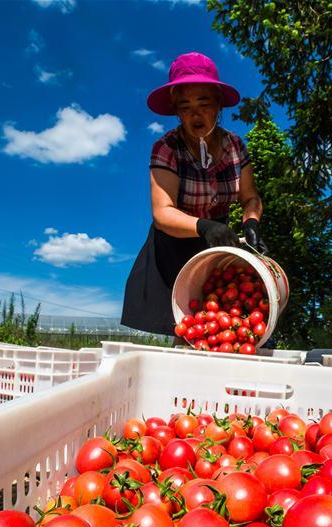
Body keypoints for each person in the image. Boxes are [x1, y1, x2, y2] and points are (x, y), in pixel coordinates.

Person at [121, 52, 267, 336]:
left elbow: (250, 196)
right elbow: (163, 212)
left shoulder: (235, 147)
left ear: (218, 105)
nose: (195, 113)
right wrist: (203, 226)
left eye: (204, 103)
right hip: (174, 244)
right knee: (182, 329)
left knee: (219, 329)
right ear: (177, 112)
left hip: (215, 246)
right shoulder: (166, 148)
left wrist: (251, 222)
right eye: (185, 106)